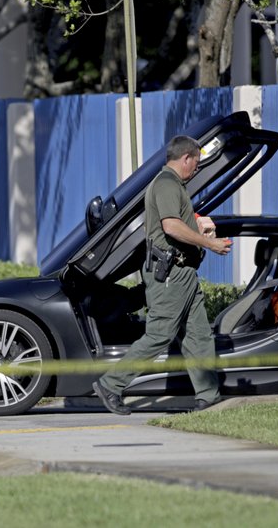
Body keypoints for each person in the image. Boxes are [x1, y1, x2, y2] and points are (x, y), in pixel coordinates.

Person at [92, 135, 232, 415]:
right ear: (186, 158)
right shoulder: (167, 184)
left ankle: (208, 395)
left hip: (184, 273)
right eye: (197, 163)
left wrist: (198, 227)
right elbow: (171, 227)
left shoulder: (171, 184)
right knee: (160, 334)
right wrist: (210, 244)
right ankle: (111, 385)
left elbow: (179, 224)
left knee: (198, 336)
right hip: (171, 273)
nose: (197, 169)